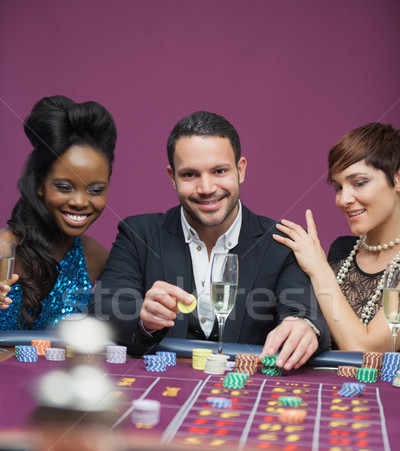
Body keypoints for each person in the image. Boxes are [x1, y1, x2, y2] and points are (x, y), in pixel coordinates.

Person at [90, 111, 329, 369]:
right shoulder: (138, 234)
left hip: (244, 398)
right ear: (173, 177)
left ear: (240, 170)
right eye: (190, 175)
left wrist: (305, 325)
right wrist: (142, 317)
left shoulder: (280, 242)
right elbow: (101, 312)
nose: (206, 188)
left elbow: (306, 313)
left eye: (219, 171)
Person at [273, 122, 400, 352]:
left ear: (397, 179)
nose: (344, 199)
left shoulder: (322, 265)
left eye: (359, 183)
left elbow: (364, 350)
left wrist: (318, 268)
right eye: (338, 187)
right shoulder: (342, 250)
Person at [0, 95, 117, 330]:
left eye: (95, 190)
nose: (79, 201)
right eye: (64, 187)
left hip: (60, 368)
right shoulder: (3, 251)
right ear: (40, 184)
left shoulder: (97, 257)